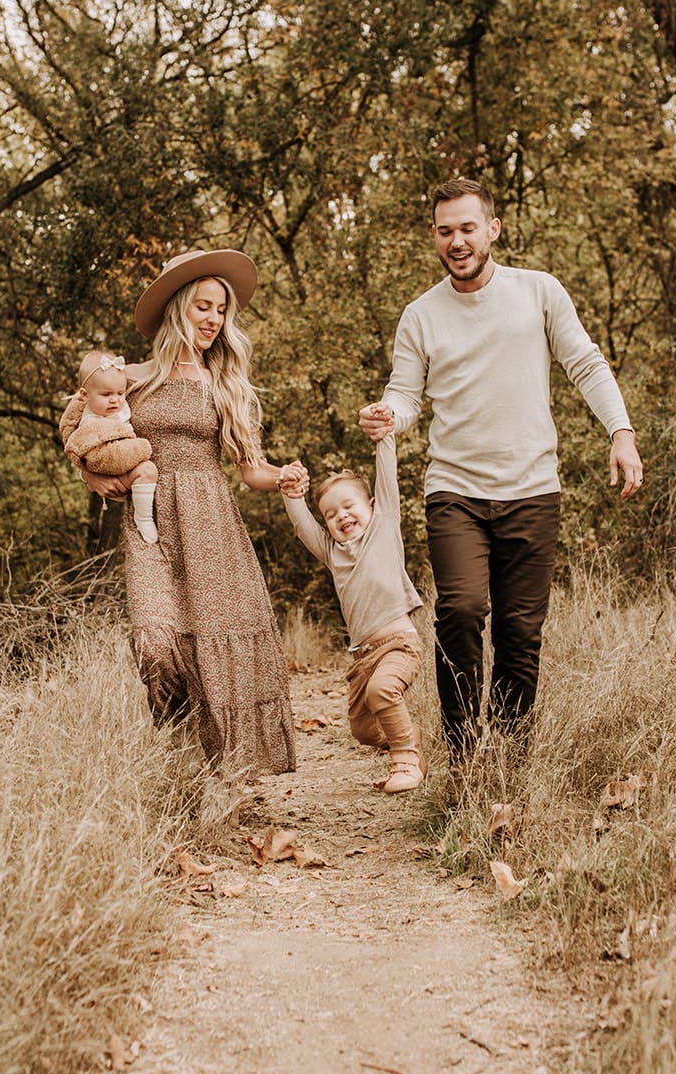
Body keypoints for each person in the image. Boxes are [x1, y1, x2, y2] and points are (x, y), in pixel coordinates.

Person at [360, 177, 643, 756]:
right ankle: (466, 756)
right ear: (434, 237)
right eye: (445, 231)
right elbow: (406, 396)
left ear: (492, 229)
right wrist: (388, 414)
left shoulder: (538, 292)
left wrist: (621, 432)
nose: (457, 241)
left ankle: (507, 758)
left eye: (467, 228)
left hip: (533, 489)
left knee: (520, 632)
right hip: (455, 491)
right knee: (460, 611)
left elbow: (585, 364)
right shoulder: (421, 314)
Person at [78, 249, 306, 779]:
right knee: (156, 642)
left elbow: (250, 470)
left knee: (213, 642)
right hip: (150, 522)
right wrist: (90, 474)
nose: (212, 319)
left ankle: (216, 776)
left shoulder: (224, 382)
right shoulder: (129, 377)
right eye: (203, 306)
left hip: (211, 523)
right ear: (179, 308)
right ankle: (178, 760)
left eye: (221, 310)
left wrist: (284, 476)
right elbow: (77, 419)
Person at [280, 429, 425, 793]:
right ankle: (408, 737)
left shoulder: (385, 528)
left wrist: (384, 439)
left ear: (373, 506)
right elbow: (302, 526)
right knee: (362, 730)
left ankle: (405, 761)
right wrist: (292, 493)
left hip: (399, 644)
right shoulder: (333, 554)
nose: (341, 516)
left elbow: (387, 476)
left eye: (349, 507)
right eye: (331, 514)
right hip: (363, 657)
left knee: (383, 691)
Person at [59, 350, 160, 543]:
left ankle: (143, 515)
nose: (115, 400)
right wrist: (86, 473)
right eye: (106, 394)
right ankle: (144, 518)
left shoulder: (119, 402)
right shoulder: (89, 421)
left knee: (147, 470)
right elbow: (76, 445)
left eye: (120, 393)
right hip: (110, 467)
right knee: (147, 467)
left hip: (132, 475)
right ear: (85, 395)